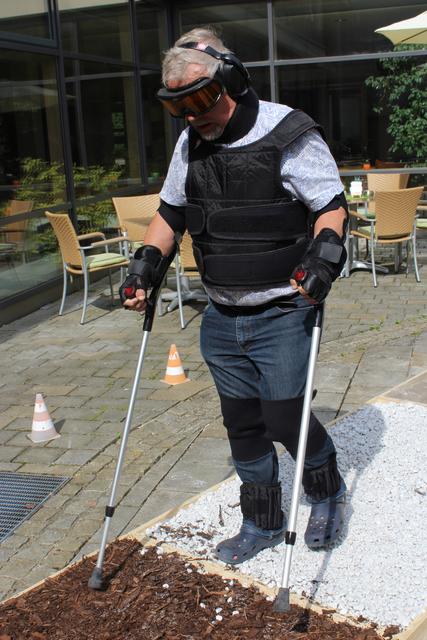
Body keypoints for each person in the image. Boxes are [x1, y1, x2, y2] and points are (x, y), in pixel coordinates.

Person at [120, 27, 348, 565]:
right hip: (221, 315)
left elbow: (331, 207)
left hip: (284, 309)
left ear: (232, 81)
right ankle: (262, 522)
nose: (192, 116)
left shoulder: (287, 131)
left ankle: (327, 491)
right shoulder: (191, 143)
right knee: (243, 424)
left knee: (284, 418)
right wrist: (144, 266)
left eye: (201, 100)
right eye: (178, 107)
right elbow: (171, 212)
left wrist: (322, 260)